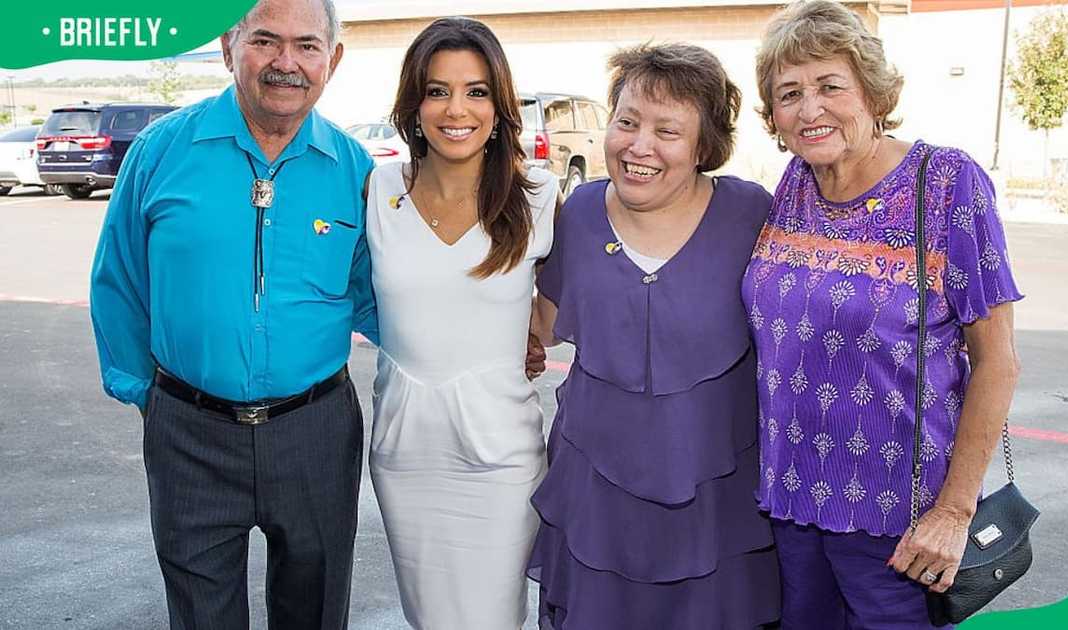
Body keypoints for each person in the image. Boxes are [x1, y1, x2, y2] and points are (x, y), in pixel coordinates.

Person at [89, 0, 376, 627]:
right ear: (228, 47)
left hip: (316, 432)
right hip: (189, 433)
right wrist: (151, 398)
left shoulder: (355, 170)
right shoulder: (161, 151)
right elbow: (119, 280)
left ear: (332, 60)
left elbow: (384, 295)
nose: (286, 62)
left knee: (315, 608)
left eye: (307, 45)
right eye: (265, 40)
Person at [743, 1, 1023, 628]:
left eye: (829, 86)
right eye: (789, 94)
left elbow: (997, 362)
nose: (809, 109)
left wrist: (954, 512)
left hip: (901, 520)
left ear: (872, 93)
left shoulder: (945, 183)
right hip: (789, 502)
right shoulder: (795, 184)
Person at [527, 43, 781, 629]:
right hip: (597, 490)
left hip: (716, 494)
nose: (639, 146)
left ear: (703, 146)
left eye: (667, 131)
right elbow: (541, 323)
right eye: (627, 122)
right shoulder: (578, 213)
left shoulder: (751, 215)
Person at [363, 17, 560, 630]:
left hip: (499, 456)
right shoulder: (378, 190)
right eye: (437, 91)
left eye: (476, 91)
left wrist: (528, 337)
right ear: (414, 104)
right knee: (430, 618)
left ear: (499, 108)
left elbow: (558, 314)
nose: (457, 109)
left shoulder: (539, 196)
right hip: (404, 453)